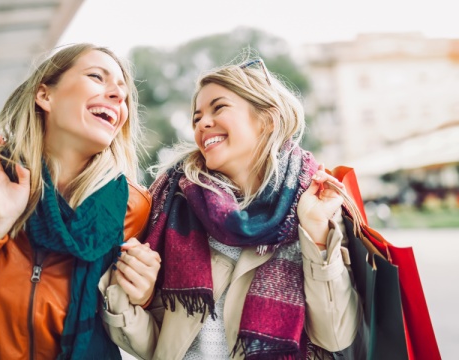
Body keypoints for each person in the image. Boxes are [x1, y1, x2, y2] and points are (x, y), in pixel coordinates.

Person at [101, 56, 362, 359]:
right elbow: (159, 346)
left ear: (268, 119)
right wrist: (131, 296)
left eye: (218, 107)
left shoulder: (316, 201)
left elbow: (334, 334)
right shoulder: (173, 202)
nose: (202, 123)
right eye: (196, 117)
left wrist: (316, 232)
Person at [0, 43, 160, 359]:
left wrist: (143, 294)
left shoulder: (133, 208)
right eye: (96, 76)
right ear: (45, 96)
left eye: (123, 92)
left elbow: (156, 326)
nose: (118, 95)